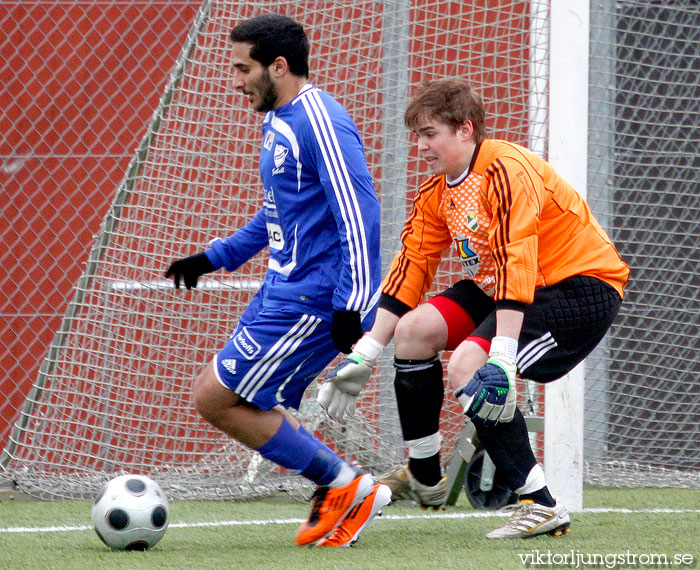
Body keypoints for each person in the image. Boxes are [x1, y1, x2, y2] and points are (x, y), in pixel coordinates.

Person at [318, 78, 630, 538]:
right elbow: (411, 269)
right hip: (508, 285)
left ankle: (540, 504)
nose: (421, 146)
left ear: (465, 129)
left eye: (430, 134)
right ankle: (425, 476)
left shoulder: (506, 169)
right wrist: (365, 351)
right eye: (418, 136)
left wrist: (501, 353)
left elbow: (515, 257)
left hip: (579, 287)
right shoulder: (437, 192)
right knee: (414, 331)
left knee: (470, 366)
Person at [165, 14, 390, 547]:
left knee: (215, 398)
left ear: (279, 66)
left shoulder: (320, 121)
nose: (236, 80)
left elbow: (362, 214)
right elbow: (276, 214)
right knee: (235, 399)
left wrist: (350, 304)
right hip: (283, 289)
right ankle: (347, 486)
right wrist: (214, 257)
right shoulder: (277, 120)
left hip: (314, 296)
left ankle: (345, 485)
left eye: (244, 68)